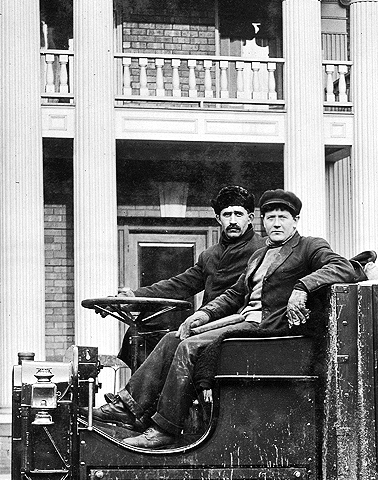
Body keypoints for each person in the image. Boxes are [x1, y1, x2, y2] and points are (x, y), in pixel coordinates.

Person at [92, 189, 362, 450]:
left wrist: (302, 287)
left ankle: (165, 430)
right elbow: (235, 294)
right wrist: (203, 314)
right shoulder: (261, 254)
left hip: (270, 328)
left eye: (283, 217)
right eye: (270, 217)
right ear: (262, 221)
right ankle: (129, 408)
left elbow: (343, 267)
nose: (276, 223)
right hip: (245, 319)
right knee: (173, 338)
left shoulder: (309, 246)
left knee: (189, 347)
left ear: (295, 221)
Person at [115, 185, 266, 366]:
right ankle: (141, 393)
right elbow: (180, 284)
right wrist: (135, 296)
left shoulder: (262, 250)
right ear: (218, 219)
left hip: (236, 325)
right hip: (206, 322)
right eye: (227, 215)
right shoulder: (210, 255)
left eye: (238, 214)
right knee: (141, 332)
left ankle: (137, 393)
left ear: (250, 218)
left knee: (174, 341)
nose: (233, 220)